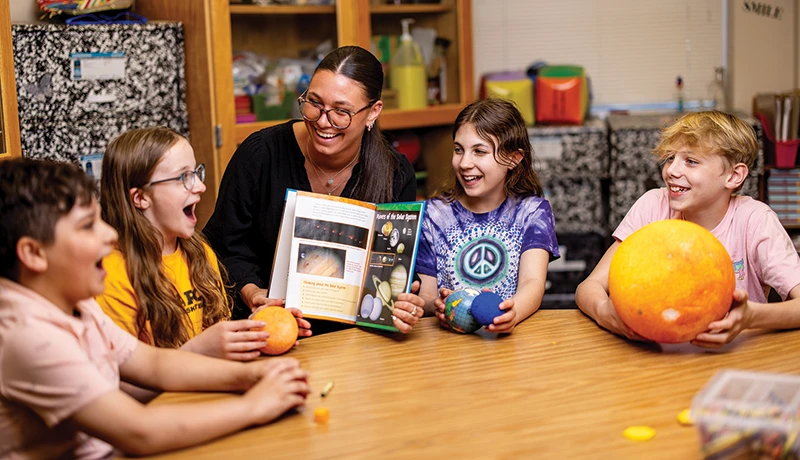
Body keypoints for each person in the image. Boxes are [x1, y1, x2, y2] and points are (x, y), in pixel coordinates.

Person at [0, 158, 310, 458]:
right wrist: (254, 406)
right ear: (33, 253)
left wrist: (254, 375)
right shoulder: (29, 336)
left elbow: (153, 365)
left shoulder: (76, 305)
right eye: (87, 226)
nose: (109, 234)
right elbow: (139, 432)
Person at [204, 45, 424, 333]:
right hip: (269, 328)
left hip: (357, 338)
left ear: (373, 112)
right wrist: (255, 294)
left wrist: (404, 299)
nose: (322, 121)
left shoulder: (395, 173)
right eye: (314, 103)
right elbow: (221, 248)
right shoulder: (260, 155)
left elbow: (394, 263)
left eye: (341, 112)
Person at [576, 110, 800, 348]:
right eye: (670, 158)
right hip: (658, 354)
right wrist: (604, 312)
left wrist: (751, 317)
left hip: (734, 356)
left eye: (691, 161)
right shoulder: (653, 205)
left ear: (734, 176)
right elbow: (588, 287)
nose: (672, 170)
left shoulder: (755, 221)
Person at [96, 127, 311, 361]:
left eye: (196, 173)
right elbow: (121, 381)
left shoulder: (200, 253)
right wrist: (198, 352)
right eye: (183, 178)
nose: (200, 186)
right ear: (140, 198)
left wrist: (254, 330)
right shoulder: (110, 277)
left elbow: (214, 345)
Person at [415, 98, 560, 333]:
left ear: (514, 158)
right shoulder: (433, 216)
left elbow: (532, 283)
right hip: (451, 349)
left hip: (510, 346)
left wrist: (513, 311)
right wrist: (438, 306)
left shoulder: (533, 212)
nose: (464, 163)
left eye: (479, 151)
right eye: (458, 150)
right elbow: (427, 294)